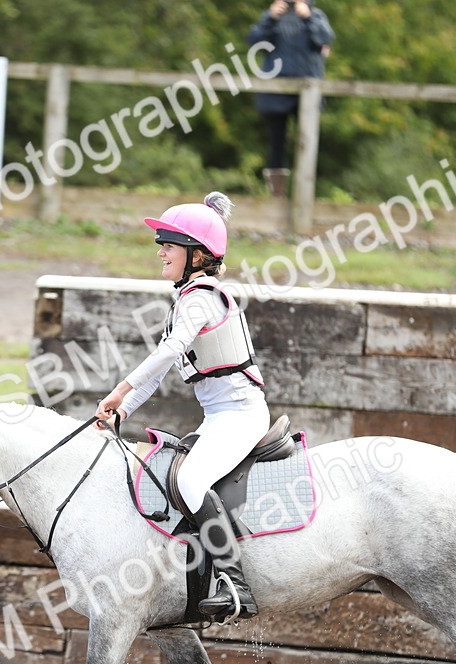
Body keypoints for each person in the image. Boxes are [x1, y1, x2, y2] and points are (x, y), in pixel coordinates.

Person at [95, 192, 269, 622]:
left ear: (197, 255)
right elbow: (161, 369)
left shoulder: (201, 298)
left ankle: (237, 587)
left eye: (168, 245)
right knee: (168, 476)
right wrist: (124, 410)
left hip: (242, 416)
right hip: (219, 418)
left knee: (190, 480)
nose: (160, 252)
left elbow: (170, 349)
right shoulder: (188, 299)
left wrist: (120, 387)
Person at [248, 0, 335, 198]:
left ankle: (305, 195)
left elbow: (325, 38)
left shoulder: (316, 15)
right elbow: (254, 42)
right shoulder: (271, 16)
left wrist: (308, 17)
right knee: (277, 144)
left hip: (307, 91)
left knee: (307, 142)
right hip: (275, 90)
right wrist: (270, 18)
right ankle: (276, 196)